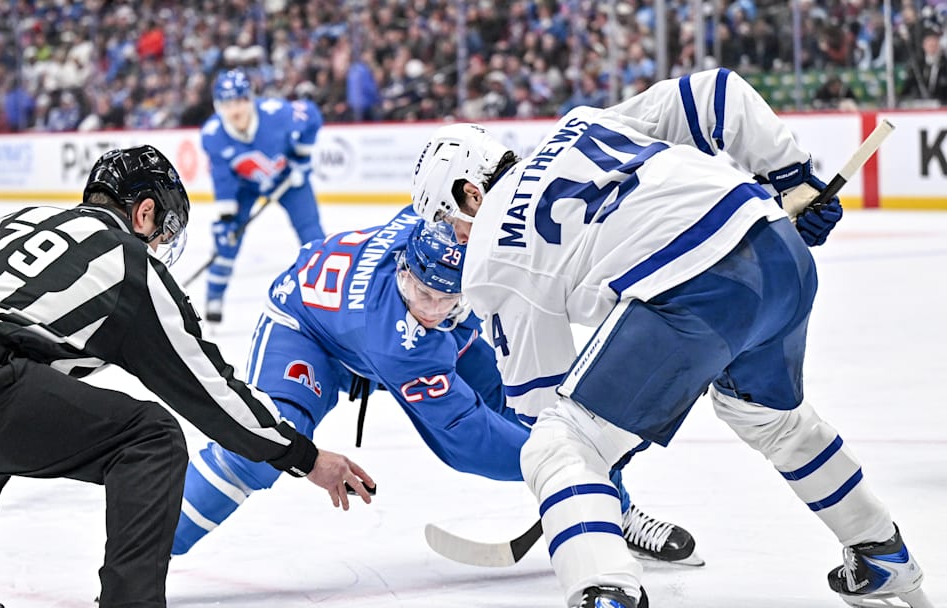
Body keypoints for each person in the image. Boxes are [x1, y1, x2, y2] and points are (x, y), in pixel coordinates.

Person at [410, 68, 931, 608]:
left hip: (693, 291)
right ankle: (880, 551)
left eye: (450, 222)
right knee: (763, 415)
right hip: (777, 248)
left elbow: (541, 405)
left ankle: (603, 593)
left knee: (558, 446)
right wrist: (790, 178)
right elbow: (718, 93)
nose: (457, 237)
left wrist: (579, 484)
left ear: (471, 193)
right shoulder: (580, 125)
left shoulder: (491, 255)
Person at [0, 145, 373, 608]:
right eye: (165, 229)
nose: (161, 243)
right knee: (151, 437)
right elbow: (212, 394)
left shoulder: (23, 220)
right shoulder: (131, 265)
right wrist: (305, 457)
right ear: (145, 212)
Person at [173, 210, 701, 569]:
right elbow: (469, 441)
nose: (424, 308)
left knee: (524, 404)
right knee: (265, 446)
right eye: (417, 290)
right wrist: (562, 464)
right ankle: (154, 541)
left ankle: (612, 506)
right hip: (305, 329)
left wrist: (569, 455)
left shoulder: (426, 232)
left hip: (372, 326)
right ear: (403, 268)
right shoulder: (404, 343)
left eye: (442, 297)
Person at [201, 69, 326, 322]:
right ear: (217, 106)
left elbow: (311, 115)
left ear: (251, 98)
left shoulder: (276, 113)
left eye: (240, 101)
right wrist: (226, 219)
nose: (235, 110)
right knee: (227, 241)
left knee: (311, 233)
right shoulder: (213, 135)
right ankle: (214, 296)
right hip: (245, 187)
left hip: (288, 179)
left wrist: (301, 157)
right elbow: (223, 180)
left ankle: (328, 289)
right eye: (227, 104)